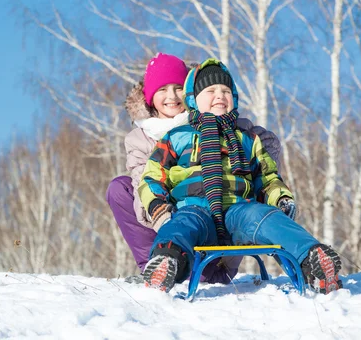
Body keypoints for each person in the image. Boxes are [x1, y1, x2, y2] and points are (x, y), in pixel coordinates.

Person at [138, 58, 343, 294]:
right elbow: (152, 177)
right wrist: (157, 205)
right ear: (193, 100)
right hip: (194, 208)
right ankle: (167, 260)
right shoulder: (177, 137)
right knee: (180, 226)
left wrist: (279, 198)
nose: (219, 95)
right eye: (211, 90)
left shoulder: (246, 138)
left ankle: (312, 260)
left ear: (234, 98)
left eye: (226, 90)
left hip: (239, 210)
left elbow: (267, 177)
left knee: (266, 217)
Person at [106, 53, 280, 284]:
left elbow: (262, 146)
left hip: (215, 232)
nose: (171, 96)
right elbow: (143, 184)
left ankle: (200, 261)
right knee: (122, 188)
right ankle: (157, 265)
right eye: (162, 89)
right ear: (149, 97)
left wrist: (246, 139)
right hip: (171, 224)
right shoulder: (141, 138)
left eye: (178, 88)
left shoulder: (208, 120)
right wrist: (166, 219)